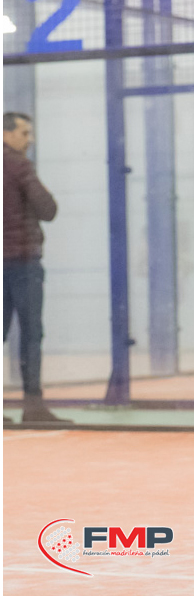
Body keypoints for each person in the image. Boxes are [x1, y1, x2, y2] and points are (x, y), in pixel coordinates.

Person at [3, 112, 70, 424]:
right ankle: (33, 406)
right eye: (24, 133)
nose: (29, 140)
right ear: (6, 134)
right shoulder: (18, 165)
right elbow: (48, 208)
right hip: (22, 261)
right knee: (31, 333)